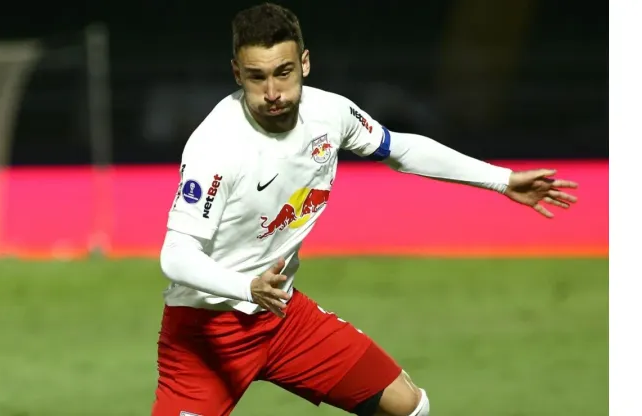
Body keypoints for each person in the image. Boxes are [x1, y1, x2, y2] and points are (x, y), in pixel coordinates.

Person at [153, 3, 578, 416]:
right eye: (256, 77)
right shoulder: (216, 146)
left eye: (282, 73)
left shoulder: (330, 114)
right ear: (236, 74)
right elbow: (176, 254)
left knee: (408, 406)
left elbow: (400, 149)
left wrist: (501, 180)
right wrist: (248, 288)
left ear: (304, 62)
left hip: (281, 316)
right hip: (205, 330)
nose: (272, 92)